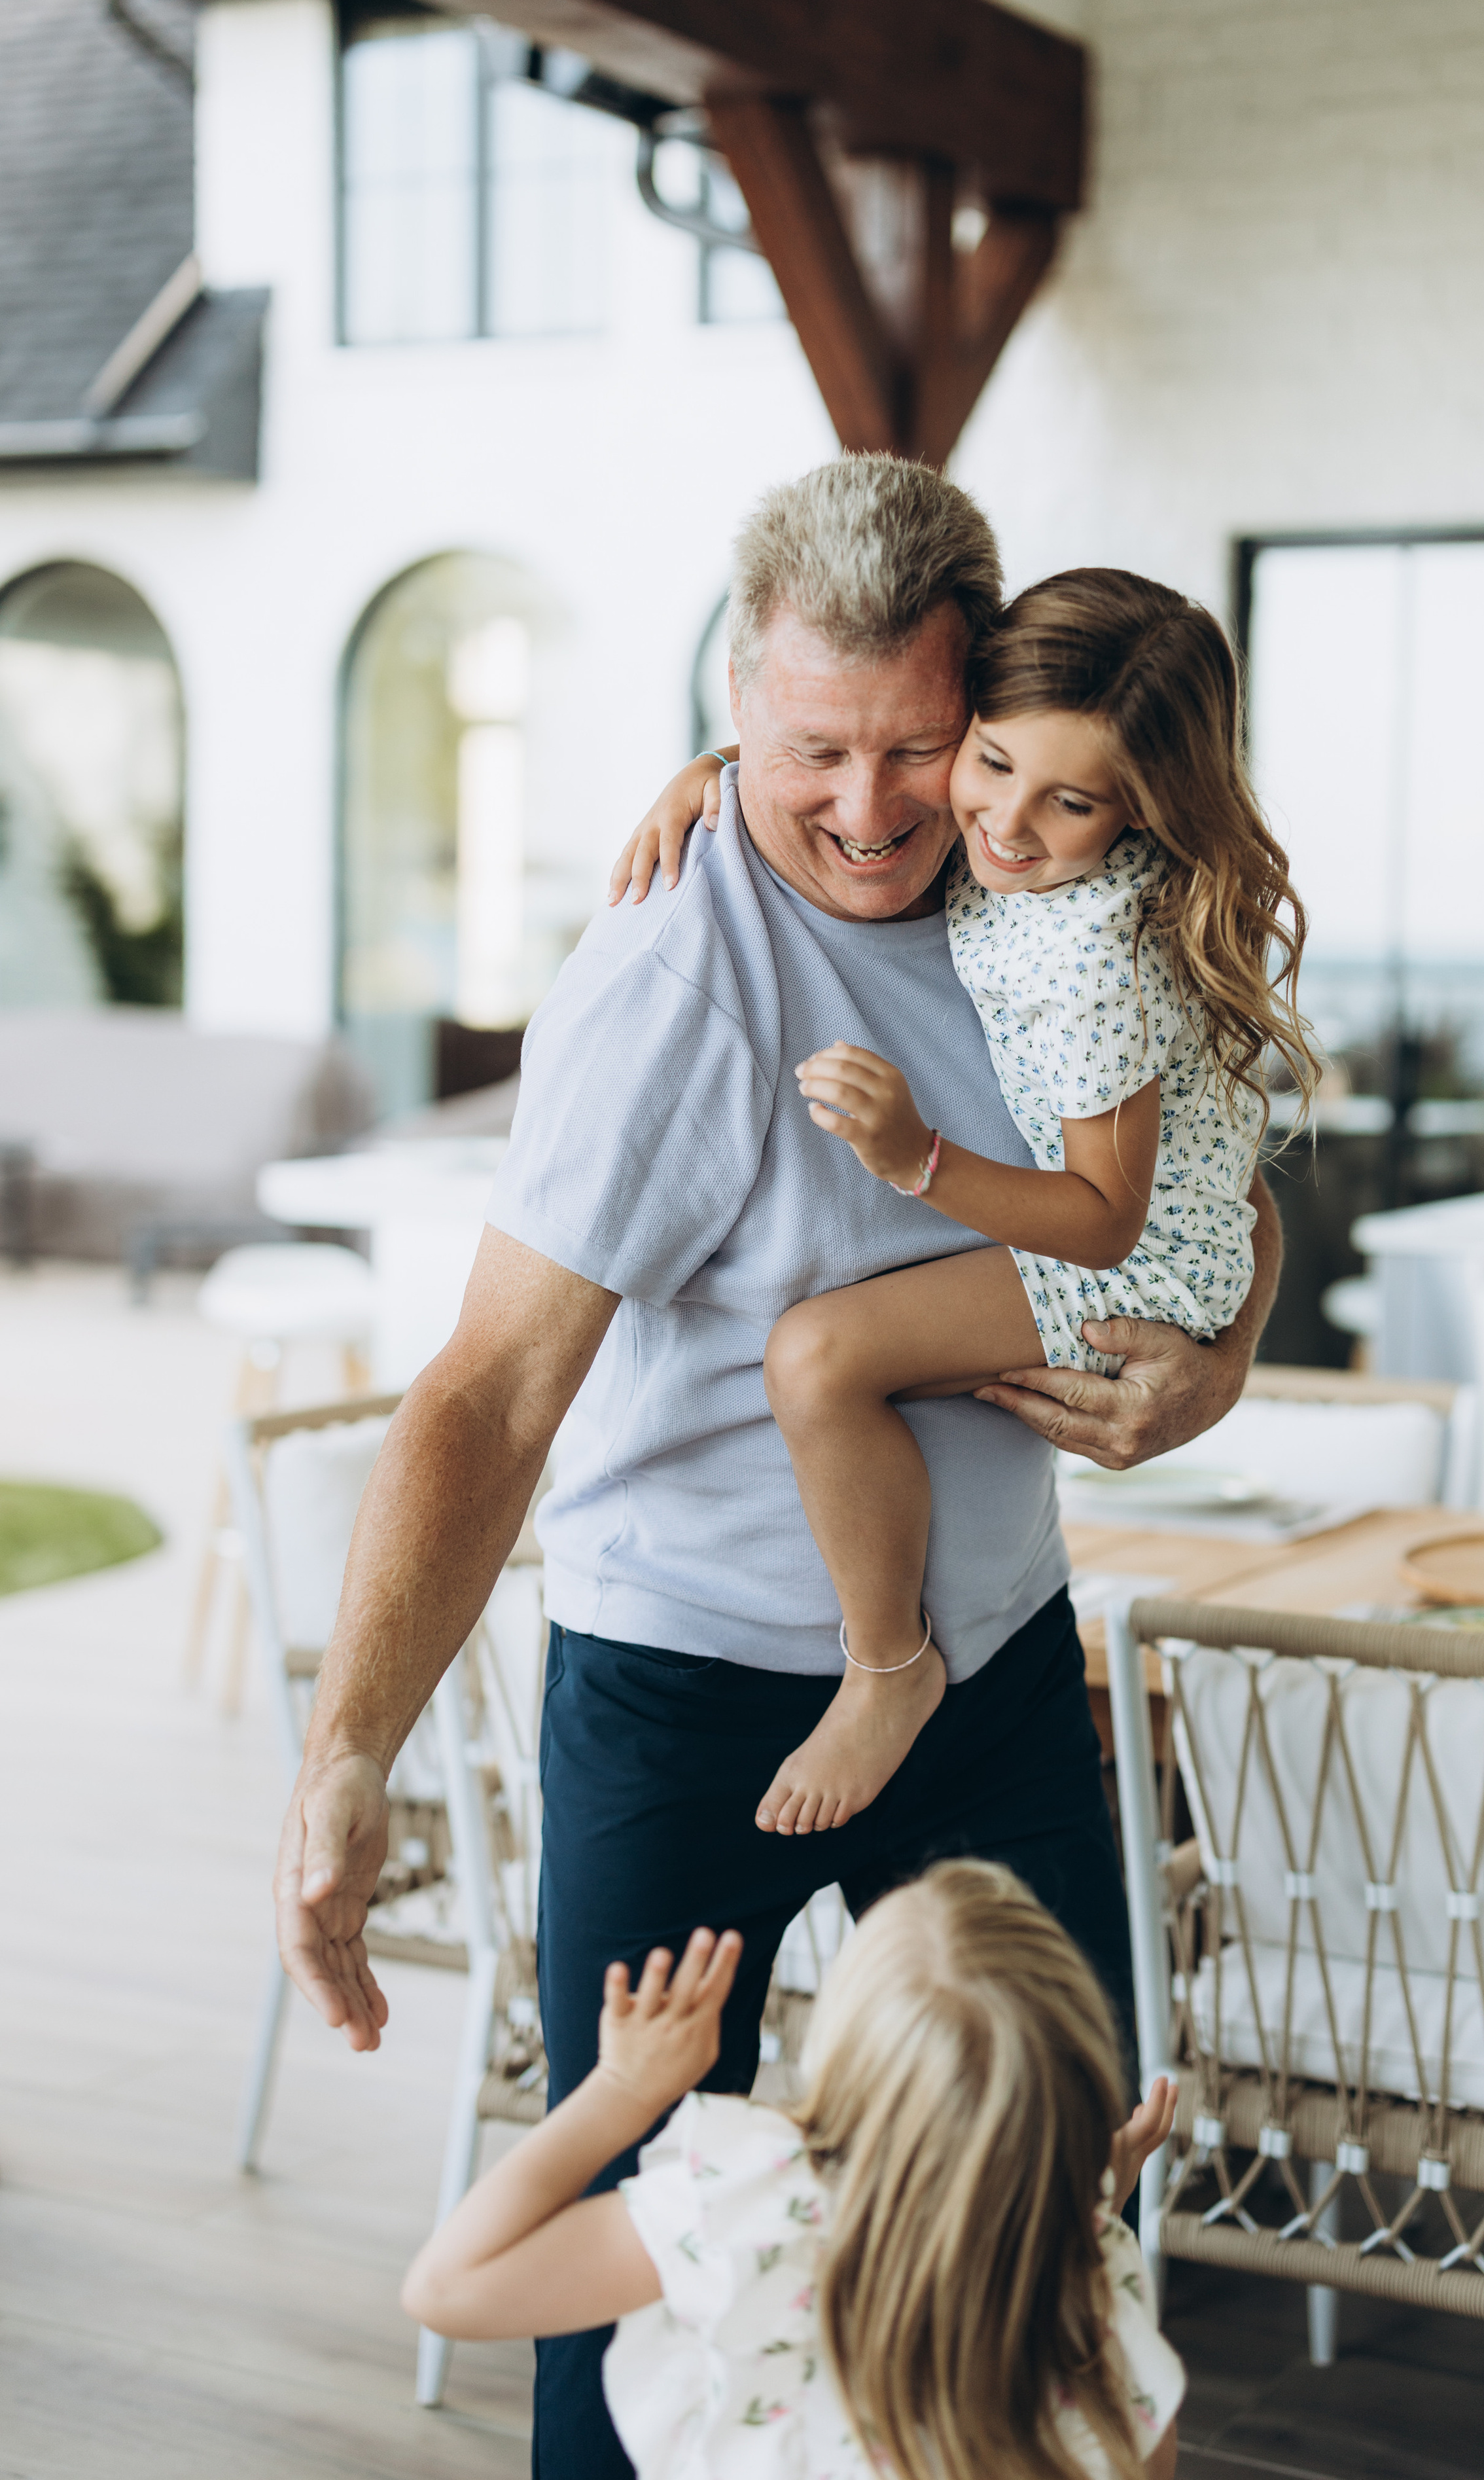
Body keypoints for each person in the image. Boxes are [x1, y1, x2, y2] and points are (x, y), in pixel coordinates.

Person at [275, 455, 1281, 2479]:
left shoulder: (1057, 877)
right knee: (640, 2248)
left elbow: (1223, 1174)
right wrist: (346, 1751)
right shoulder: (670, 976)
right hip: (689, 1700)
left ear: (988, 705)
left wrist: (1217, 1358)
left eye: (922, 744)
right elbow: (484, 1392)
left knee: (1055, 2219)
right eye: (810, 748)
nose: (874, 806)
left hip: (987, 1669)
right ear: (736, 701)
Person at [614, 568, 1316, 1836]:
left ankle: (888, 1667)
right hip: (1147, 1224)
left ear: (1137, 812)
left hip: (1138, 1260)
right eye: (988, 763)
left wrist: (914, 1159)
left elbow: (1105, 1216)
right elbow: (865, 758)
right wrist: (715, 774)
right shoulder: (1002, 847)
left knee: (818, 1358)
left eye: (1070, 802)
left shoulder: (1095, 954)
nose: (1004, 824)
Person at [402, 1861, 1183, 2480]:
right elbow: (1143, 2459)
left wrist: (619, 2091)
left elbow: (446, 2288)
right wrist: (1089, 2206)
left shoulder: (759, 2206)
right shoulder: (1089, 2267)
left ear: (842, 2054)